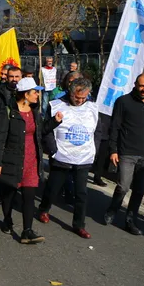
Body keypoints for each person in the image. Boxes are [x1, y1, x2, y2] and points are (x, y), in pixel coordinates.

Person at [38, 77, 98, 239]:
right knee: (53, 188)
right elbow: (46, 130)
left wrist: (93, 149)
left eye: (83, 98)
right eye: (76, 97)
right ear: (70, 92)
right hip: (62, 155)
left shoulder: (92, 108)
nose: (79, 101)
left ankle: (79, 225)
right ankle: (44, 209)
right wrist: (53, 151)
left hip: (83, 157)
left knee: (81, 193)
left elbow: (97, 132)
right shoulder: (57, 105)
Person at [103, 73, 144, 235]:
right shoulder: (123, 102)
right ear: (135, 84)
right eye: (141, 86)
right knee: (123, 186)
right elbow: (114, 127)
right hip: (127, 152)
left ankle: (130, 220)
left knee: (139, 189)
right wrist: (113, 150)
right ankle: (112, 209)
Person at [0, 77, 45, 244]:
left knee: (29, 196)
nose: (37, 94)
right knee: (9, 195)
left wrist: (56, 122)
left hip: (31, 160)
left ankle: (27, 231)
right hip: (12, 159)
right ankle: (7, 219)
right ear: (25, 94)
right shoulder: (8, 112)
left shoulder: (35, 112)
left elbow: (41, 132)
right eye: (35, 91)